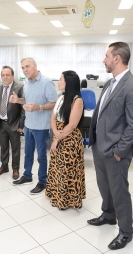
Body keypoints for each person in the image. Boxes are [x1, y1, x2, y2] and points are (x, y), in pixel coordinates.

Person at [87, 42, 133, 250]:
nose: (104, 60)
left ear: (117, 58)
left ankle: (126, 232)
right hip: (100, 147)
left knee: (120, 192)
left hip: (115, 152)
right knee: (105, 187)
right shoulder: (111, 83)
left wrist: (120, 151)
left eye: (106, 56)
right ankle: (108, 215)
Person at [9, 57, 57, 194]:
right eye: (23, 68)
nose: (25, 70)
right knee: (28, 153)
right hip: (29, 124)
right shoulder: (26, 82)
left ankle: (42, 181)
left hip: (41, 127)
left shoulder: (46, 82)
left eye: (27, 67)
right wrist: (17, 100)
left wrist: (38, 107)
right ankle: (27, 176)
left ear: (35, 66)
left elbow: (54, 103)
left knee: (41, 156)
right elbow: (26, 100)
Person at [46, 70, 85, 210]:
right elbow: (53, 118)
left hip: (70, 139)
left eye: (61, 79)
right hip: (59, 134)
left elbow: (72, 125)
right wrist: (56, 134)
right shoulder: (61, 98)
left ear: (69, 83)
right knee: (57, 168)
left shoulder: (77, 100)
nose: (59, 82)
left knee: (67, 170)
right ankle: (57, 195)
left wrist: (57, 139)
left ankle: (67, 200)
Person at [0, 66, 25, 180]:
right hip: (1, 124)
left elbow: (23, 107)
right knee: (3, 147)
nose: (5, 77)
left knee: (15, 148)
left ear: (12, 76)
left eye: (7, 75)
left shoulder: (19, 88)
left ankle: (15, 169)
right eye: (3, 75)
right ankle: (4, 166)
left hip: (14, 124)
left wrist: (21, 125)